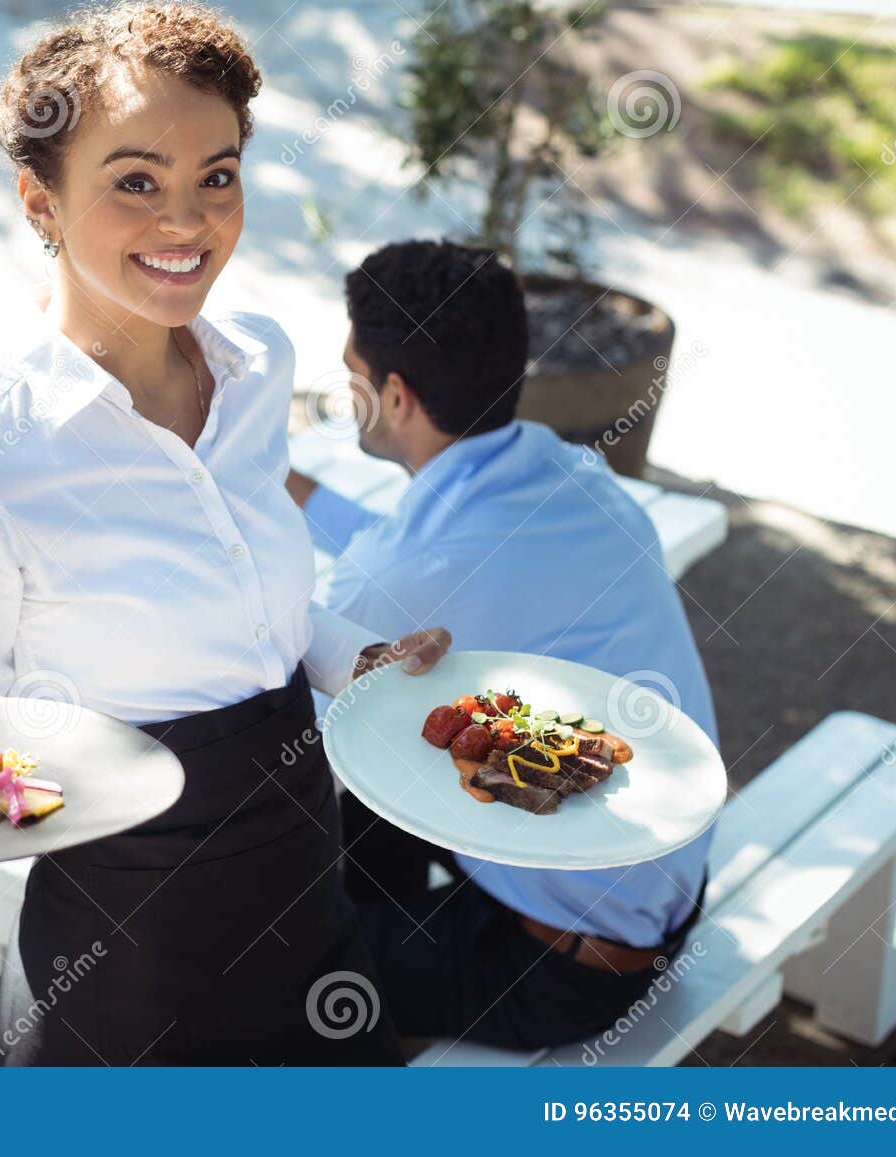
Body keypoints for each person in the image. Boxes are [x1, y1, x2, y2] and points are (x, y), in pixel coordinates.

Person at [0, 2, 451, 1065]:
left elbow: (247, 600)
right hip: (130, 961)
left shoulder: (258, 365)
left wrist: (353, 655)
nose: (185, 221)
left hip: (306, 892)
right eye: (135, 180)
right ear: (38, 201)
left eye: (215, 176)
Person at [286, 239, 718, 1050]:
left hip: (563, 971)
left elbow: (288, 692)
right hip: (650, 893)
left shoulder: (411, 574)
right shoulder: (577, 478)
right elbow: (412, 551)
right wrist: (277, 483)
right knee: (410, 763)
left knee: (255, 958)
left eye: (351, 373)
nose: (343, 392)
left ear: (398, 396)